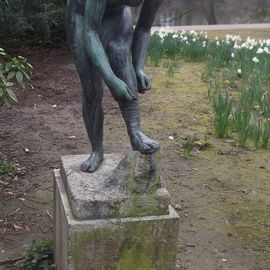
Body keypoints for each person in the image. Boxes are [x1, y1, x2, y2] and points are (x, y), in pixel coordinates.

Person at [66, 0, 163, 173]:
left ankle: (135, 132)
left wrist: (138, 67)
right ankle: (97, 150)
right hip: (80, 15)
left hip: (117, 13)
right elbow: (90, 33)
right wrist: (111, 79)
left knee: (123, 62)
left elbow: (143, 28)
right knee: (91, 86)